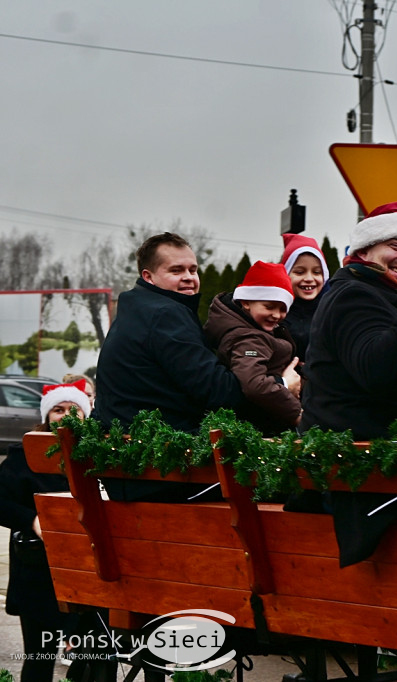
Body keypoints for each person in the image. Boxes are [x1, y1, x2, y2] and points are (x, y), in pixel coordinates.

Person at [298, 202, 397, 565]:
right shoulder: (355, 293)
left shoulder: (382, 292)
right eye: (395, 246)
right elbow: (376, 368)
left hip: (378, 459)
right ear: (364, 250)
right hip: (364, 471)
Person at [93, 232, 248, 501]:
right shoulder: (166, 314)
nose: (189, 277)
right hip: (166, 475)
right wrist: (279, 383)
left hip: (131, 472)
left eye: (193, 269)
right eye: (176, 270)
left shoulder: (136, 311)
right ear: (148, 276)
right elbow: (218, 392)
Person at [0, 380, 91, 682]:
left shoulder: (97, 453)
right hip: (38, 573)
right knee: (39, 657)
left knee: (90, 658)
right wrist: (32, 520)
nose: (66, 415)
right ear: (46, 415)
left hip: (88, 573)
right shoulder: (23, 455)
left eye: (73, 409)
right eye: (58, 409)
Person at [204, 260, 302, 435]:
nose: (276, 315)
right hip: (263, 428)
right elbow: (254, 384)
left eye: (282, 309)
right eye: (269, 306)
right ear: (246, 302)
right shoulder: (247, 338)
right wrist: (297, 413)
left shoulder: (258, 329)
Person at [279, 233, 330, 363]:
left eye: (317, 272)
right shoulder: (275, 311)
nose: (309, 279)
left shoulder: (333, 309)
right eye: (299, 272)